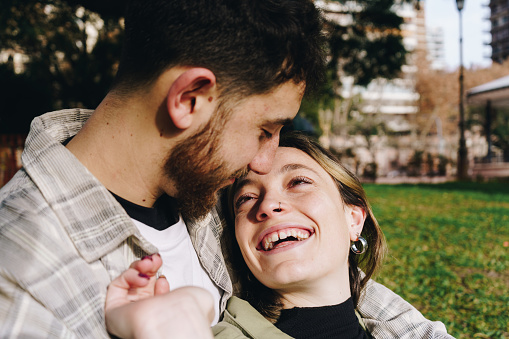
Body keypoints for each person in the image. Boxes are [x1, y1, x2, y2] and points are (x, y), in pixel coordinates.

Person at [0, 0, 325, 337]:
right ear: (189, 99)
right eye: (265, 131)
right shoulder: (22, 280)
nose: (263, 163)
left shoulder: (211, 194)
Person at [104, 132, 455, 339]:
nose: (269, 205)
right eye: (246, 198)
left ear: (354, 219)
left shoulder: (400, 327)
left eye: (298, 182)